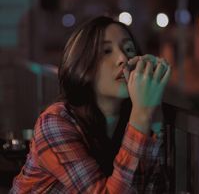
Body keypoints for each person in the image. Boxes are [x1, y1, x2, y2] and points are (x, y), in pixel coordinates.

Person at [10, 16, 171, 193]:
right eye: (106, 51)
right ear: (82, 66)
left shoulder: (130, 120)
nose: (123, 58)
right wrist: (142, 113)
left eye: (129, 49)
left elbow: (150, 188)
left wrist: (152, 111)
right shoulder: (54, 123)